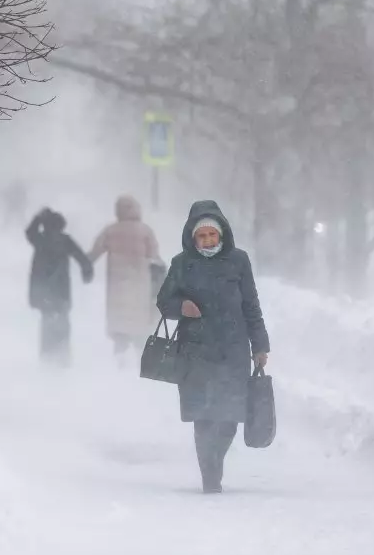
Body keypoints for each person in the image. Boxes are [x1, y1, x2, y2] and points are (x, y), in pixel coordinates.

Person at [156, 200, 270, 494]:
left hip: (233, 349)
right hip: (196, 351)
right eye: (201, 236)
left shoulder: (239, 261)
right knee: (205, 416)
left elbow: (251, 306)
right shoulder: (182, 264)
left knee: (230, 417)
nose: (207, 241)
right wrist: (182, 306)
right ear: (193, 238)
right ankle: (210, 476)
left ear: (222, 235)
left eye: (212, 235)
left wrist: (260, 346)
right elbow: (163, 301)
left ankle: (214, 461)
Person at [88, 195, 162, 359]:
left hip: (118, 284)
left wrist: (85, 264)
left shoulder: (111, 230)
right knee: (138, 319)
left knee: (120, 320)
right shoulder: (145, 230)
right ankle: (139, 355)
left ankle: (120, 354)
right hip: (139, 282)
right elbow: (154, 256)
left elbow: (95, 252)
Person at [26, 207, 93, 365]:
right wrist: (87, 271)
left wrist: (38, 218)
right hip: (61, 290)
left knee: (47, 321)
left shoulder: (40, 239)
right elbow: (81, 257)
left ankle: (47, 356)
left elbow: (29, 232)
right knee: (62, 322)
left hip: (43, 291)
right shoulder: (65, 240)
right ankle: (63, 356)